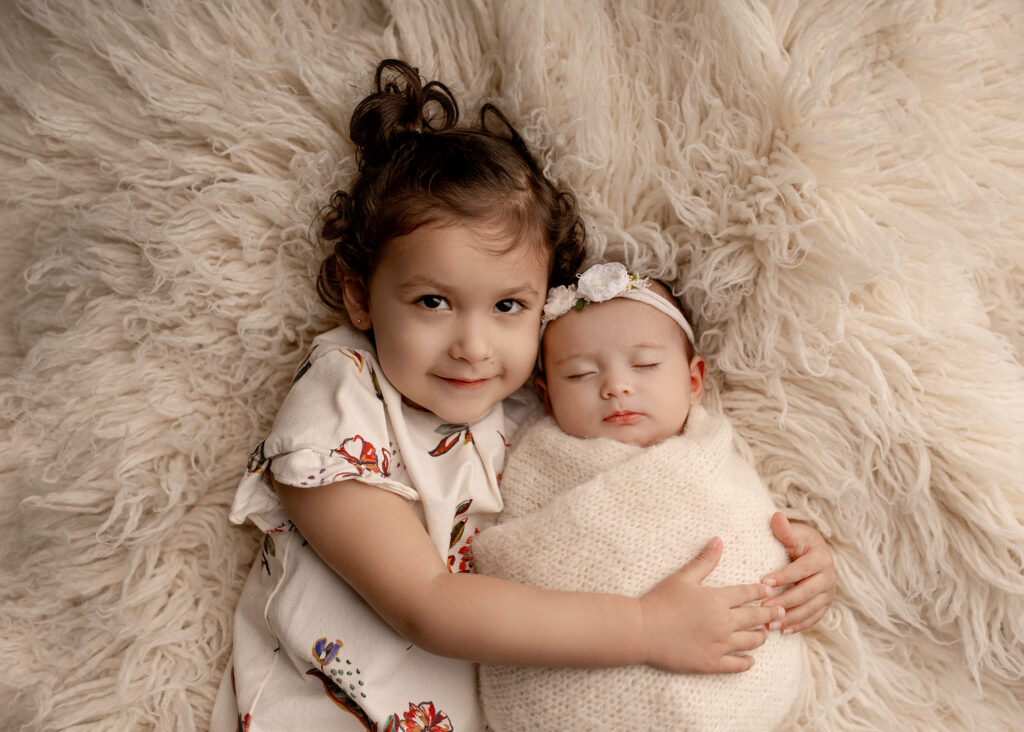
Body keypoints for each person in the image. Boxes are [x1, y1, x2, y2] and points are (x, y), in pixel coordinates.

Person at [211, 61, 832, 732]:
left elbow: (657, 497)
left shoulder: (531, 405)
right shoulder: (342, 400)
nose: (474, 346)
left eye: (508, 305)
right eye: (432, 302)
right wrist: (645, 626)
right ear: (361, 294)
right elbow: (427, 603)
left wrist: (785, 557)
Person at [473, 262, 823, 730]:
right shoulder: (539, 463)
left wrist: (806, 554)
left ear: (694, 381)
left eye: (645, 365)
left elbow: (757, 536)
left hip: (730, 688)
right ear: (548, 396)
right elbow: (519, 567)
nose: (616, 386)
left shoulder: (716, 459)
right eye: (579, 374)